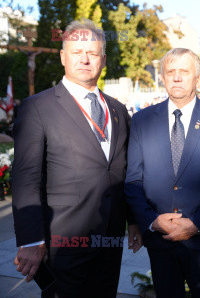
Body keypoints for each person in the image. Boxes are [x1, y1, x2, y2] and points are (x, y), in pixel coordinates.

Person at [11, 19, 142, 298]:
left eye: (93, 53)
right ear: (62, 57)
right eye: (76, 52)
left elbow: (124, 170)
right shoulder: (37, 108)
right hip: (63, 241)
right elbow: (26, 179)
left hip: (109, 237)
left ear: (103, 59)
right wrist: (31, 240)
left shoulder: (118, 110)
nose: (85, 59)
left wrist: (134, 221)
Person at [124, 48, 200, 298]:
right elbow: (133, 180)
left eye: (184, 71)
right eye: (170, 72)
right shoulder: (142, 121)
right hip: (160, 242)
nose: (176, 77)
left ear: (198, 77)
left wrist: (196, 224)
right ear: (162, 77)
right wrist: (152, 221)